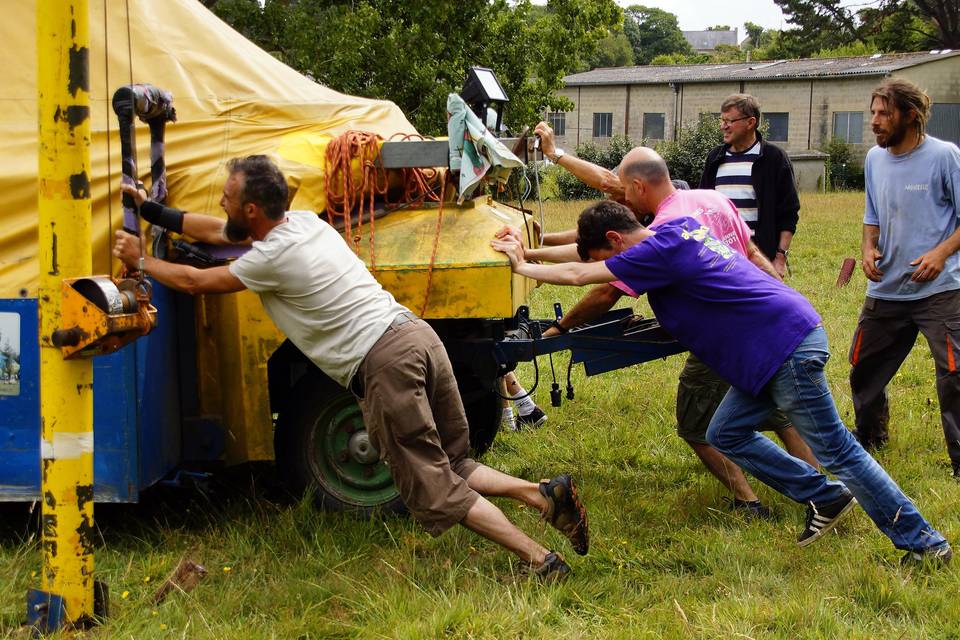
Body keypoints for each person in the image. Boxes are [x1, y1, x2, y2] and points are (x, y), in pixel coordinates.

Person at [112, 155, 588, 579]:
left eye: (227, 197)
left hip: (384, 362)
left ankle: (538, 559)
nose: (221, 202)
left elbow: (197, 281)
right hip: (417, 336)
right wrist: (152, 210)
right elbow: (216, 231)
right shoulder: (302, 224)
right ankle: (542, 494)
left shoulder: (269, 258)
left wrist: (143, 261)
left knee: (435, 488)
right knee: (452, 462)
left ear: (251, 211)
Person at [492, 200, 952, 566]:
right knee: (725, 431)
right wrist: (528, 250)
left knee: (839, 451)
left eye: (606, 256)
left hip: (784, 346)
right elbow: (582, 258)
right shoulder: (671, 230)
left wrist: (520, 267)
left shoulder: (656, 251)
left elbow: (579, 273)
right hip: (773, 346)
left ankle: (924, 541)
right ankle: (825, 496)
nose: (610, 268)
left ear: (615, 239)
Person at [512, 139, 819, 518]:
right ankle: (819, 492)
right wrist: (778, 296)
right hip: (761, 324)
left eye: (625, 190)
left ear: (640, 187)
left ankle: (756, 500)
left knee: (699, 425)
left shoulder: (664, 231)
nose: (623, 197)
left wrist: (560, 324)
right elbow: (752, 254)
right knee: (776, 411)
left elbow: (603, 284)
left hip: (723, 334)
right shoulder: (711, 201)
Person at [849, 78, 960, 479]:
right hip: (887, 288)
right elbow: (871, 215)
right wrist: (867, 248)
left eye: (884, 114)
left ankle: (959, 462)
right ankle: (870, 439)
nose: (874, 122)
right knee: (863, 367)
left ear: (910, 115)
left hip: (939, 289)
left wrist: (940, 253)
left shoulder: (945, 157)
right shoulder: (874, 160)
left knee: (954, 374)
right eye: (873, 113)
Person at [699, 94, 800, 278]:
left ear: (751, 122)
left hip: (760, 260)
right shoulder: (714, 159)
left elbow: (789, 213)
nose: (723, 126)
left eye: (729, 121)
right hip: (719, 260)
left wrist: (780, 259)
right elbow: (702, 210)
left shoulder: (774, 158)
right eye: (722, 120)